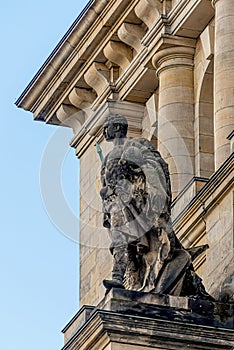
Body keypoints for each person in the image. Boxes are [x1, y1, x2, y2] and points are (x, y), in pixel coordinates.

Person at [100, 114, 213, 299]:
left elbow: (155, 165)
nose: (105, 131)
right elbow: (105, 186)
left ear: (118, 127)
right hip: (116, 205)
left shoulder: (136, 145)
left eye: (108, 126)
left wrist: (131, 173)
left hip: (134, 202)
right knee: (120, 241)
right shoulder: (107, 158)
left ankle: (124, 277)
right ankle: (124, 278)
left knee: (131, 240)